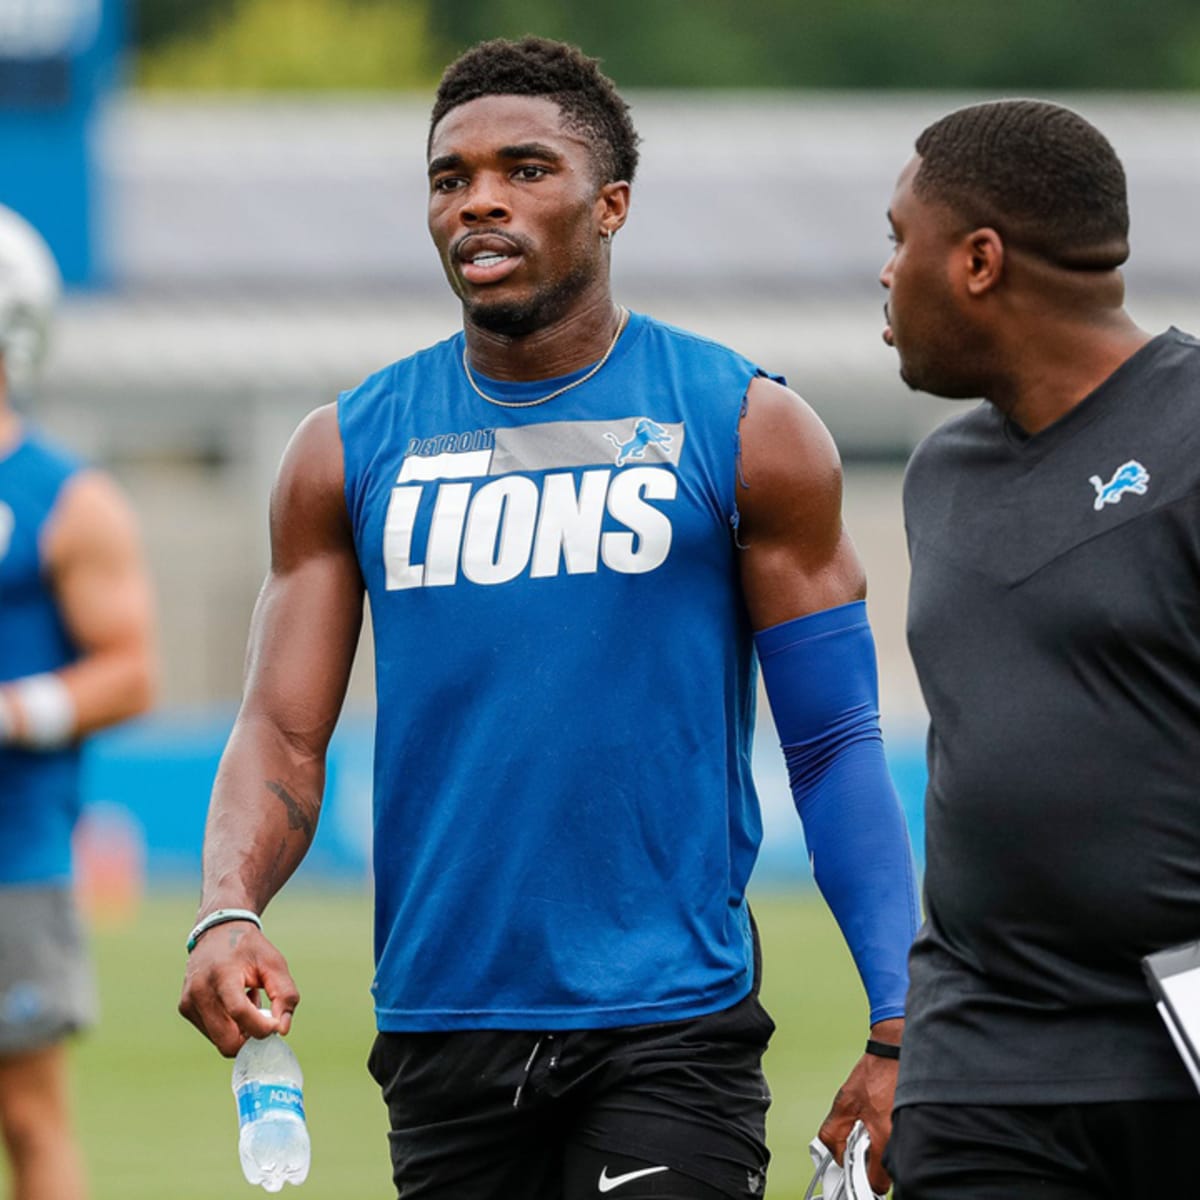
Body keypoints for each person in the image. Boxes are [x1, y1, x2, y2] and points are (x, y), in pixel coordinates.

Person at [179, 37, 918, 1200]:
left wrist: (897, 1018)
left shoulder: (746, 427)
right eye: (450, 176)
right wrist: (226, 908)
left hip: (670, 1025)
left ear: (612, 204)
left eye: (526, 169)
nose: (480, 199)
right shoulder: (346, 447)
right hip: (438, 1026)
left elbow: (830, 746)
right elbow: (280, 732)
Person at [878, 98, 1200, 1199]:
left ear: (977, 260)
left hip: (1183, 1051)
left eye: (897, 239)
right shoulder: (940, 477)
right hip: (986, 1062)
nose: (885, 275)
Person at [0, 204, 158, 1200]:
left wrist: (12, 712)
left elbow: (132, 670)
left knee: (28, 1112)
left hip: (12, 858)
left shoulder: (66, 495)